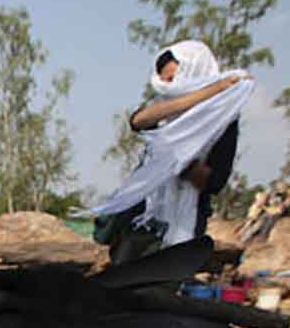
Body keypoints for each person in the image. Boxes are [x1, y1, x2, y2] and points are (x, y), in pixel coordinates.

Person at [93, 42, 253, 264]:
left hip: (183, 222)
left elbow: (215, 182)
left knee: (158, 292)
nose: (168, 86)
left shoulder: (222, 121)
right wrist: (212, 91)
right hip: (142, 217)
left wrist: (178, 163)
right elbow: (138, 121)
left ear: (195, 72)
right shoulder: (166, 111)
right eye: (165, 81)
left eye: (173, 79)